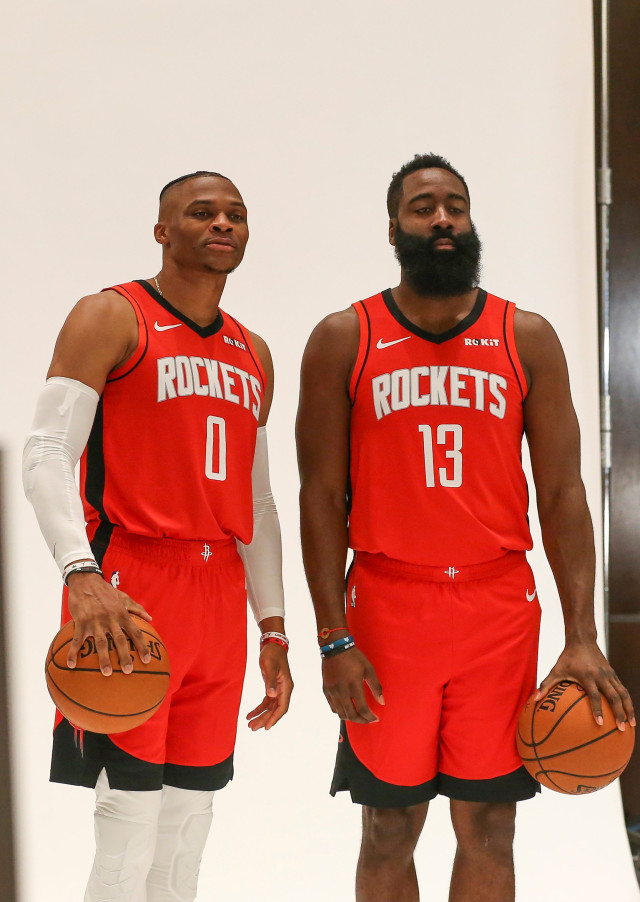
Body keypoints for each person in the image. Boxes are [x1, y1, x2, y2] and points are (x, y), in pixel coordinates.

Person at [296, 153, 635, 902]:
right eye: (422, 207)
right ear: (394, 228)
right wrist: (332, 636)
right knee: (390, 827)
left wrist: (581, 633)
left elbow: (562, 492)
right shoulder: (344, 337)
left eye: (455, 205)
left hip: (495, 608)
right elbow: (319, 497)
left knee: (489, 824)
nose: (442, 218)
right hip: (387, 608)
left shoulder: (527, 336)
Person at [23, 170, 293, 902]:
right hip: (130, 582)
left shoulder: (254, 352)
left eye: (236, 214)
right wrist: (81, 573)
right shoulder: (111, 316)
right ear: (162, 230)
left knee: (187, 826)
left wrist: (274, 628)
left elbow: (259, 505)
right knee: (128, 823)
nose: (223, 224)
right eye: (201, 212)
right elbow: (45, 451)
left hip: (218, 594)